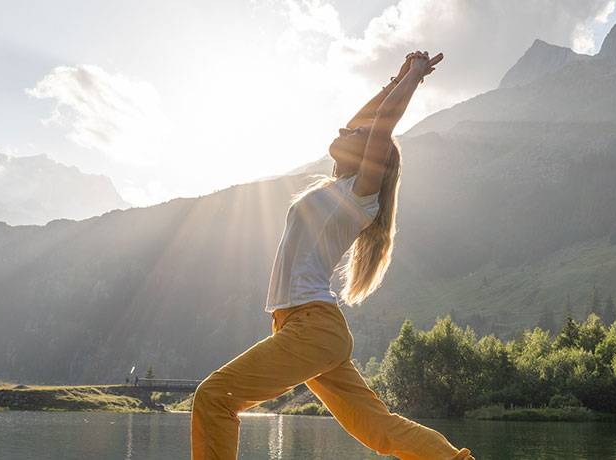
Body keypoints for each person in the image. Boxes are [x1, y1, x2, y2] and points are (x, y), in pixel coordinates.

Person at [190, 51, 473, 460]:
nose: (345, 127)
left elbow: (381, 125)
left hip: (313, 327)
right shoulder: (339, 191)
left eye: (355, 134)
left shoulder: (360, 196)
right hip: (307, 328)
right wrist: (395, 80)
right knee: (379, 429)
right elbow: (367, 121)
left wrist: (413, 76)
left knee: (215, 396)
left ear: (371, 154)